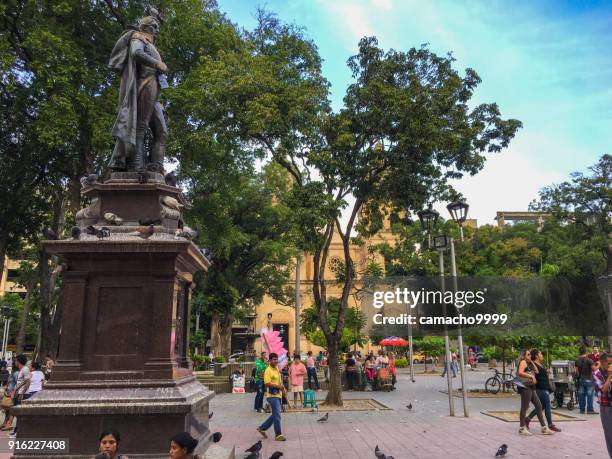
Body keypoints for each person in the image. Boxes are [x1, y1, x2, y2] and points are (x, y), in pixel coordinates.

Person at [108, 11, 168, 173]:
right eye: (153, 26)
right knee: (140, 128)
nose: (157, 29)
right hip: (145, 85)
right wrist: (158, 64)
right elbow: (136, 53)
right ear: (144, 26)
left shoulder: (152, 45)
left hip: (154, 91)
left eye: (157, 26)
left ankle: (157, 167)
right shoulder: (138, 37)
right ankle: (137, 167)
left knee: (162, 131)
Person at [517, 349, 553, 436]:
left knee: (539, 405)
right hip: (525, 387)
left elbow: (536, 371)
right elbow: (520, 372)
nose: (530, 356)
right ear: (524, 356)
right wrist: (530, 376)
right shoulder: (523, 362)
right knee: (524, 407)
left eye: (530, 355)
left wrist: (531, 362)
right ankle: (522, 428)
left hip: (531, 387)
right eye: (528, 355)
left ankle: (544, 427)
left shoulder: (529, 363)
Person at [525, 349, 561, 432]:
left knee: (541, 407)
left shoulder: (539, 364)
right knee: (547, 406)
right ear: (536, 356)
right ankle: (550, 425)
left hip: (543, 388)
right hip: (540, 389)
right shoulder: (533, 364)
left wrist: (547, 372)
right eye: (540, 354)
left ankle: (527, 419)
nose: (542, 355)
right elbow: (535, 374)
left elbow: (540, 374)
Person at [257, 352, 286, 441]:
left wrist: (283, 389)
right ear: (270, 360)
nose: (276, 361)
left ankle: (262, 428)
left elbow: (279, 382)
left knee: (275, 415)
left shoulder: (277, 369)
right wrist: (279, 387)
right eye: (274, 359)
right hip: (271, 396)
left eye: (276, 359)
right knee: (277, 414)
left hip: (279, 395)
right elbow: (267, 383)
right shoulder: (268, 370)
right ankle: (278, 434)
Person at [592, 352, 612, 456]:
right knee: (610, 434)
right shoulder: (597, 374)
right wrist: (610, 376)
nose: (610, 365)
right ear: (603, 362)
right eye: (609, 363)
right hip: (606, 407)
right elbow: (604, 390)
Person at [9, 354, 31, 438]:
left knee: (20, 414)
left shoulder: (25, 369)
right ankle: (16, 431)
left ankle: (18, 432)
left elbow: (28, 382)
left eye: (15, 360)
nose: (14, 362)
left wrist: (22, 394)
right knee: (18, 413)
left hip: (22, 394)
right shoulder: (22, 370)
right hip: (19, 393)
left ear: (18, 361)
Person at [575, 345, 597, 414]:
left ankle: (582, 410)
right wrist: (599, 365)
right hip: (589, 379)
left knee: (581, 394)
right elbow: (594, 369)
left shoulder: (577, 360)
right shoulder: (589, 360)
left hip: (581, 379)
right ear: (586, 351)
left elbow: (577, 372)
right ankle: (590, 410)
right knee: (590, 394)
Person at [0, 364, 18, 431]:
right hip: (9, 392)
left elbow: (17, 383)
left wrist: (12, 392)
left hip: (11, 393)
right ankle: (5, 423)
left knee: (9, 408)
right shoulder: (14, 373)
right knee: (7, 409)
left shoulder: (16, 373)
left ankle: (7, 424)